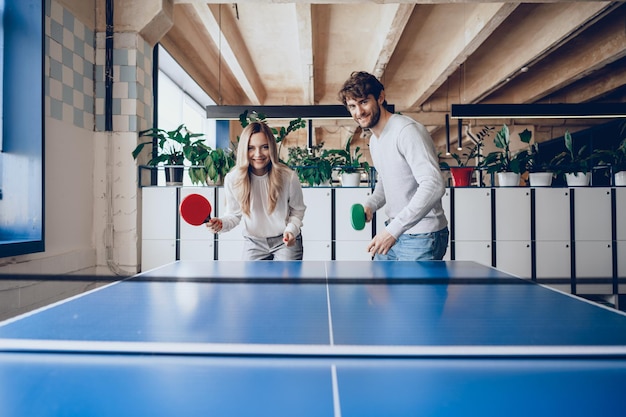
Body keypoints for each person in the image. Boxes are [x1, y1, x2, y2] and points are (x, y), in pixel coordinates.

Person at [338, 71, 449, 260]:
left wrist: (392, 231)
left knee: (408, 291)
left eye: (364, 102)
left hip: (422, 236)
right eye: (352, 106)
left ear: (380, 97)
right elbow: (386, 181)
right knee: (381, 289)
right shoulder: (375, 140)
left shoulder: (406, 131)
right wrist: (371, 205)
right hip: (396, 231)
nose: (359, 112)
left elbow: (434, 184)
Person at [206, 121, 306, 260]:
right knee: (249, 282)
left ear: (271, 147)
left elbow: (297, 211)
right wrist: (221, 224)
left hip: (285, 242)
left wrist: (291, 231)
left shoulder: (288, 177)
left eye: (264, 147)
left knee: (286, 282)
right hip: (254, 242)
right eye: (251, 148)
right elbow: (234, 215)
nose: (258, 154)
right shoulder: (233, 179)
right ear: (243, 150)